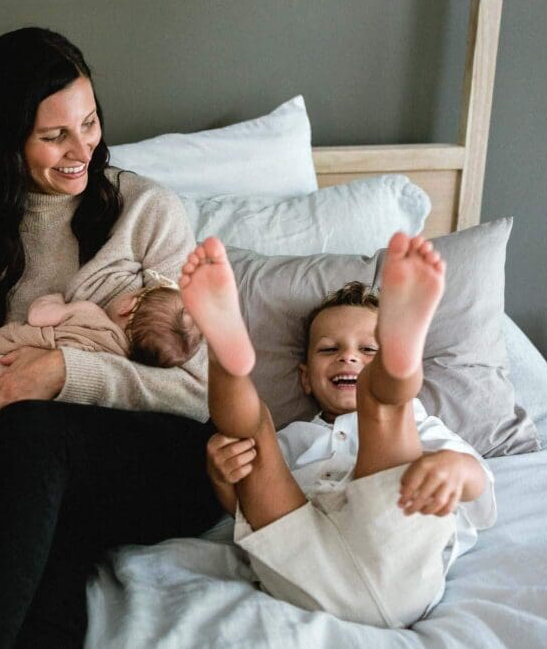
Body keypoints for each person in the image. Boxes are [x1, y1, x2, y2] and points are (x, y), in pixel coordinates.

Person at [0, 27, 224, 647]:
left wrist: (64, 374)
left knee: (32, 428)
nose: (83, 150)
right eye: (55, 135)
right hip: (38, 475)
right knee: (47, 531)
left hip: (164, 461)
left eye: (90, 124)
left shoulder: (147, 213)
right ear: (4, 139)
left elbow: (200, 390)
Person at [181, 233, 496, 627]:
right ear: (305, 378)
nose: (348, 355)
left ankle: (397, 364)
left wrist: (453, 468)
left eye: (369, 350)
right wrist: (223, 477)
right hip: (303, 554)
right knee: (253, 436)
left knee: (383, 408)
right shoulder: (294, 436)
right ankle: (225, 355)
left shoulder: (419, 427)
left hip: (396, 550)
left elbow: (479, 481)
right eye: (329, 349)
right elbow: (248, 508)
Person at [0, 279, 202, 499]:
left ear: (128, 304)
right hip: (53, 446)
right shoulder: (120, 358)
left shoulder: (89, 314)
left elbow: (39, 315)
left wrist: (54, 300)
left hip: (38, 428)